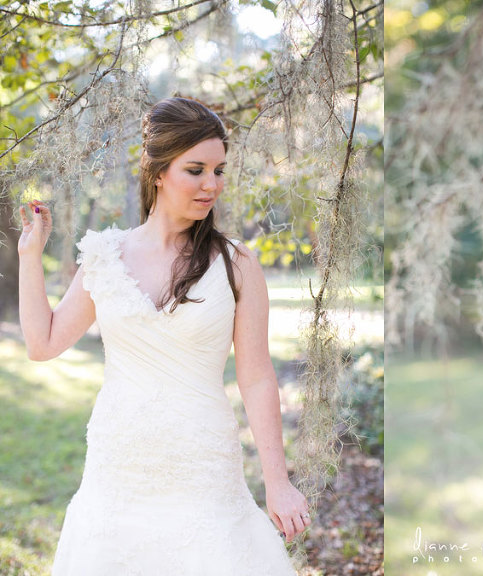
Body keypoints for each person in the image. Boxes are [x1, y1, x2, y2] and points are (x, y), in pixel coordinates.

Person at [17, 97, 309, 575]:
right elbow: (42, 344)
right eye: (195, 170)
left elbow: (256, 378)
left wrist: (277, 482)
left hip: (203, 468)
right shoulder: (105, 255)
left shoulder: (236, 264)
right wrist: (31, 257)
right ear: (157, 172)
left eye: (219, 170)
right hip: (118, 467)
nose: (211, 184)